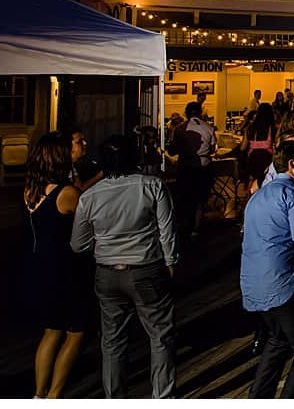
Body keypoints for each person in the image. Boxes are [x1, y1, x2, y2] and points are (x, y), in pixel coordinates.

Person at [70, 135, 179, 399]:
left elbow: (77, 244)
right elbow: (167, 230)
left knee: (112, 341)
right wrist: (171, 262)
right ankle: (163, 396)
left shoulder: (90, 196)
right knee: (160, 335)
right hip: (146, 267)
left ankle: (114, 397)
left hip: (107, 272)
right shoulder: (152, 186)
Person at [240, 140, 294, 399]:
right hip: (281, 282)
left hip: (252, 282)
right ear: (292, 164)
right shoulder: (292, 195)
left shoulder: (257, 197)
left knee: (278, 341)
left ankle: (258, 397)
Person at [24, 132, 91, 399]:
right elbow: (88, 227)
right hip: (67, 267)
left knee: (51, 331)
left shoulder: (33, 189)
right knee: (76, 332)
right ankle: (55, 395)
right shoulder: (68, 193)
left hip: (41, 264)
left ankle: (38, 394)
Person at [168, 101, 217, 238]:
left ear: (186, 113)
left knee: (185, 196)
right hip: (203, 165)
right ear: (200, 112)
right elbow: (213, 149)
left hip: (185, 166)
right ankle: (196, 227)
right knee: (200, 198)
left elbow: (172, 150)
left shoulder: (179, 129)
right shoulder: (208, 127)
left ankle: (184, 225)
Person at [241, 103, 277, 194]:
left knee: (252, 182)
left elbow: (243, 147)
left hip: (252, 160)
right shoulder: (273, 128)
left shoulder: (250, 128)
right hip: (267, 160)